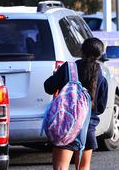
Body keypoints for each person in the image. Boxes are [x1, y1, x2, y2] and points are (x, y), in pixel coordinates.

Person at [44, 37, 108, 170]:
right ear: (99, 55)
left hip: (66, 127)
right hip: (87, 129)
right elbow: (100, 107)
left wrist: (57, 76)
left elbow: (48, 87)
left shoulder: (68, 68)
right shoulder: (101, 76)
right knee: (83, 167)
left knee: (61, 167)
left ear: (81, 51)